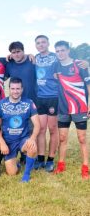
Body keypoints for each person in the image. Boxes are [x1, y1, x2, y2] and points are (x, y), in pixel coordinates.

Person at [53, 40, 90, 180]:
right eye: (57, 51)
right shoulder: (56, 65)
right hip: (63, 108)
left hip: (80, 107)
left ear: (68, 50)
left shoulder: (79, 65)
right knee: (62, 138)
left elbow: (88, 85)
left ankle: (85, 167)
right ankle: (61, 165)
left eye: (62, 50)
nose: (60, 53)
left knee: (82, 138)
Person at [0, 77, 40, 182]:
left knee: (32, 146)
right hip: (8, 142)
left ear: (22, 89)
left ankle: (26, 176)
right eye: (13, 88)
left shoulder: (29, 103)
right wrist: (2, 142)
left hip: (23, 139)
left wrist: (32, 138)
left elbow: (37, 125)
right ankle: (16, 164)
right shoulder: (1, 104)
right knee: (12, 173)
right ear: (9, 89)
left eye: (18, 89)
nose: (15, 91)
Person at [33, 35, 59, 172]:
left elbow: (69, 61)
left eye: (43, 42)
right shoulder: (34, 58)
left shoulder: (56, 56)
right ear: (36, 45)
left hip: (53, 97)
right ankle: (41, 158)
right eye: (38, 43)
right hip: (40, 98)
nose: (41, 44)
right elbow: (20, 56)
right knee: (41, 129)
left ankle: (50, 160)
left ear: (48, 43)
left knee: (53, 129)